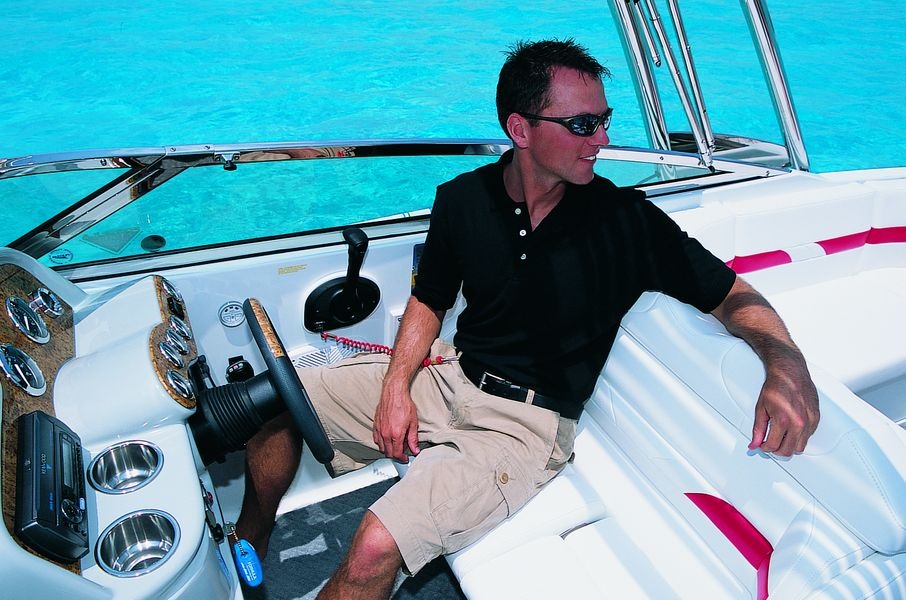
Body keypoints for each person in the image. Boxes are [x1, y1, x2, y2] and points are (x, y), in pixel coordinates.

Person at [236, 38, 820, 599]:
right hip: (449, 375)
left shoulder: (626, 223)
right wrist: (396, 387)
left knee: (372, 547)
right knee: (277, 405)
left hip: (521, 427)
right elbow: (429, 300)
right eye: (583, 124)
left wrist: (786, 364)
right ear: (521, 130)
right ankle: (249, 551)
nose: (602, 139)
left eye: (604, 120)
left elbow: (732, 294)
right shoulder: (462, 199)